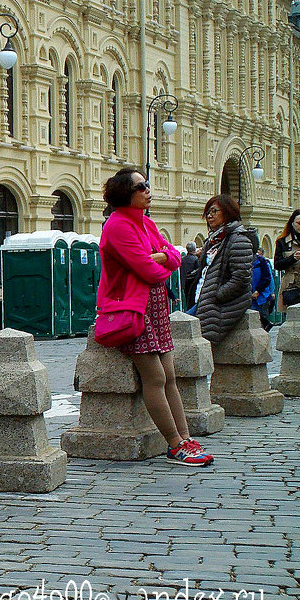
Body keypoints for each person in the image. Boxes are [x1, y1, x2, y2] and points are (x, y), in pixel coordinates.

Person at [98, 168, 213, 466]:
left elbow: (174, 256)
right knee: (156, 376)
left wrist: (162, 257)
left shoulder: (146, 223)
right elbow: (148, 270)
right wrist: (160, 259)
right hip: (133, 307)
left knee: (170, 376)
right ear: (125, 193)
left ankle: (185, 438)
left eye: (147, 185)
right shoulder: (118, 226)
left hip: (156, 305)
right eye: (141, 187)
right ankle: (174, 444)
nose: (148, 190)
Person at [188, 194, 253, 345]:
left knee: (181, 336)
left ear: (228, 212)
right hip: (204, 301)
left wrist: (217, 295)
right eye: (208, 213)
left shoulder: (239, 239)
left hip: (218, 305)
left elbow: (241, 277)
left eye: (214, 211)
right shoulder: (214, 240)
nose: (209, 216)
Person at [273, 209, 300, 312]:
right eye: (299, 223)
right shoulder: (282, 241)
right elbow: (277, 265)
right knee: (291, 318)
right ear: (292, 223)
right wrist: (292, 258)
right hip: (290, 285)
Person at [251, 242, 274, 331]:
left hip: (262, 297)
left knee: (261, 319)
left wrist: (258, 291)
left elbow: (268, 278)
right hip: (249, 297)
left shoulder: (261, 261)